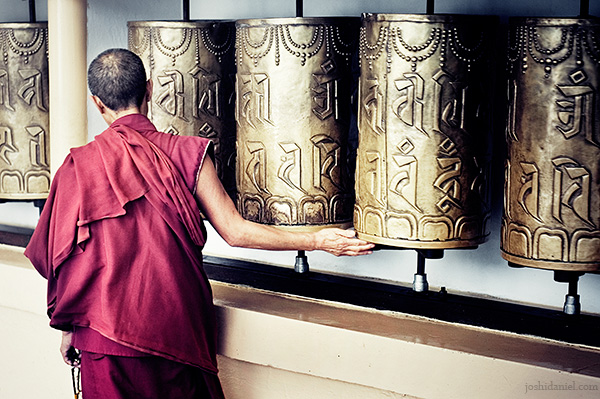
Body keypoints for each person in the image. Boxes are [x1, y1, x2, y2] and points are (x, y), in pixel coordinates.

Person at [24, 48, 374, 399]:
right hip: (177, 329)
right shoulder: (188, 153)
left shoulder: (78, 167)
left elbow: (62, 258)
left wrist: (69, 326)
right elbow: (235, 232)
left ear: (97, 103)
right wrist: (318, 241)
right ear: (149, 90)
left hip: (102, 335)